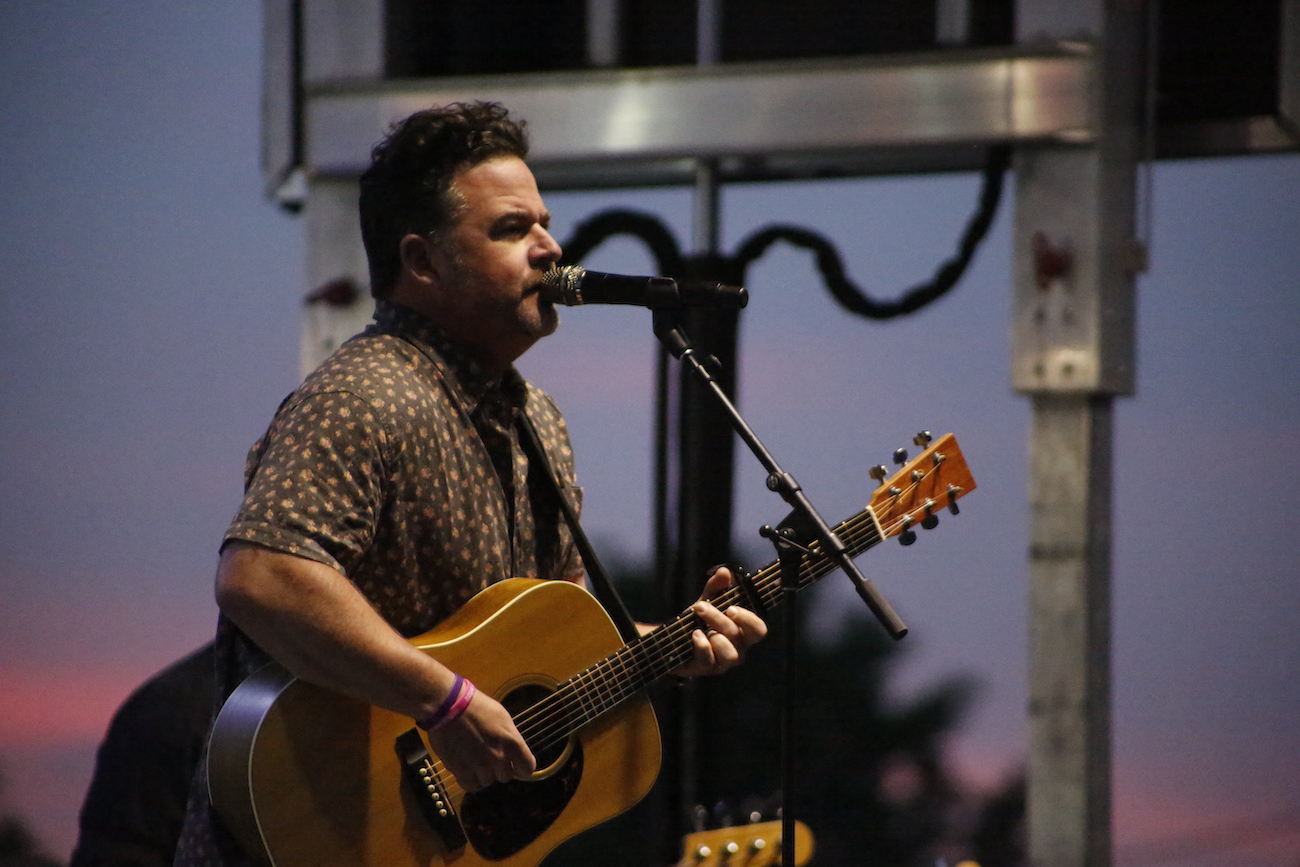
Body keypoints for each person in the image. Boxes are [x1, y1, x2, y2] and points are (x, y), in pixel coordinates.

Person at [173, 101, 766, 866]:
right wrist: (444, 701)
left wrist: (666, 645)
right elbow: (263, 575)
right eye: (513, 230)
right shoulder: (365, 393)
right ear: (423, 261)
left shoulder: (538, 421)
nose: (551, 248)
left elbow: (551, 646)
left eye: (544, 224)